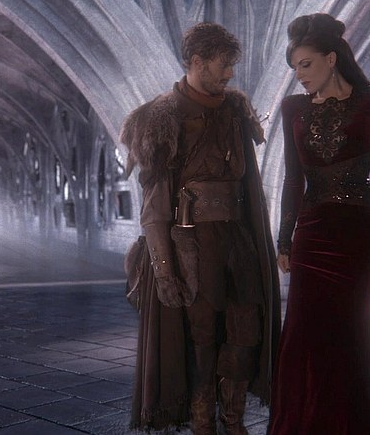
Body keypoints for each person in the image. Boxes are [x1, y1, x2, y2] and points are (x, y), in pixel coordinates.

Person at [120, 22, 280, 434]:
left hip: (238, 241)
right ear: (196, 62)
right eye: (223, 64)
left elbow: (249, 185)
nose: (230, 73)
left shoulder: (235, 111)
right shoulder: (160, 118)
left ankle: (233, 417)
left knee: (245, 329)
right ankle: (203, 420)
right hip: (191, 245)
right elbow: (154, 206)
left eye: (231, 65)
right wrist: (163, 270)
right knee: (202, 337)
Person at [267, 12, 370, 434]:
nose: (299, 75)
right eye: (294, 68)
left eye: (305, 64)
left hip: (359, 233)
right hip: (312, 233)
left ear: (330, 58)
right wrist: (284, 239)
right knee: (303, 334)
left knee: (352, 333)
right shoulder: (293, 108)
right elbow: (293, 179)